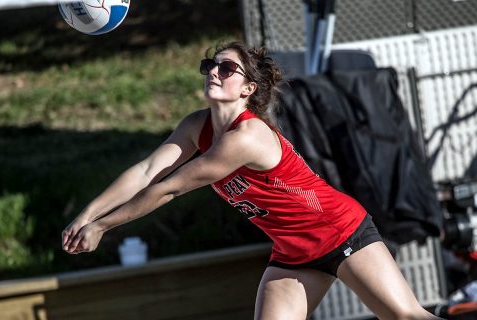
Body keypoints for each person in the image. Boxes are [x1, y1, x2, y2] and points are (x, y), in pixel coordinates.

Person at [62, 41, 442, 320]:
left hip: (339, 230)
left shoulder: (246, 137)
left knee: (404, 316)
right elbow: (148, 172)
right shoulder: (198, 125)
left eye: (226, 69)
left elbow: (170, 187)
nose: (213, 71)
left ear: (248, 89)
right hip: (294, 252)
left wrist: (104, 227)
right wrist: (87, 216)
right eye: (210, 64)